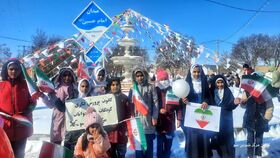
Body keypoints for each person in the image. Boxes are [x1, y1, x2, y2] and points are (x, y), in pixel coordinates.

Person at [0, 59, 37, 158]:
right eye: (11, 69)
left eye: (16, 69)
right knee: (6, 154)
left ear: (21, 70)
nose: (14, 71)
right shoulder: (1, 86)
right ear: (6, 70)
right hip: (5, 128)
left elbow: (33, 101)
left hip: (22, 127)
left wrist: (29, 109)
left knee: (19, 155)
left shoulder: (26, 85)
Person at [238, 66, 274, 158]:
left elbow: (270, 107)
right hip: (249, 118)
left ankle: (258, 154)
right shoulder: (247, 91)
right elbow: (243, 105)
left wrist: (266, 118)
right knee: (250, 139)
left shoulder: (265, 93)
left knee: (259, 139)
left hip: (261, 119)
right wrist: (243, 102)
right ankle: (250, 154)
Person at [181, 64, 211, 158]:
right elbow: (181, 99)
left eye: (198, 72)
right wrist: (183, 100)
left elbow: (208, 96)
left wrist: (206, 101)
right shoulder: (186, 84)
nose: (196, 74)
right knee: (193, 136)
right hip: (191, 116)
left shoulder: (204, 83)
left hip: (203, 114)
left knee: (204, 136)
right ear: (191, 72)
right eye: (194, 72)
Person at [128, 67, 159, 158]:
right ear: (134, 77)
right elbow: (130, 104)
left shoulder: (151, 87)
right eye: (137, 76)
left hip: (148, 120)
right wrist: (131, 117)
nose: (140, 78)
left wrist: (155, 116)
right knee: (139, 146)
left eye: (141, 75)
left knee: (149, 145)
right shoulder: (133, 89)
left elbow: (156, 103)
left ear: (144, 75)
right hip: (137, 121)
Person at [209, 75, 239, 158]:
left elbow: (231, 106)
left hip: (226, 119)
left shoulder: (227, 91)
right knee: (216, 136)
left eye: (221, 82)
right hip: (214, 118)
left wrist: (235, 103)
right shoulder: (211, 92)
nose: (220, 84)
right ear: (215, 83)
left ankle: (226, 154)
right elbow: (207, 102)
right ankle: (216, 151)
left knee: (226, 137)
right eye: (218, 82)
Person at [155, 69, 182, 158]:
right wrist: (159, 110)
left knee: (168, 144)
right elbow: (151, 104)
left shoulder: (174, 90)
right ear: (158, 80)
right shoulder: (155, 91)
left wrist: (179, 118)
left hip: (170, 122)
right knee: (159, 144)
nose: (163, 81)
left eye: (165, 79)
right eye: (161, 79)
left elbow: (179, 107)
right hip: (159, 122)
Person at [50, 67, 78, 145]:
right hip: (58, 117)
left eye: (69, 75)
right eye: (65, 75)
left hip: (71, 117)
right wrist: (43, 95)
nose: (67, 78)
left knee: (69, 140)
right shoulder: (56, 88)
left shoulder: (75, 88)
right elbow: (50, 104)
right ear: (61, 76)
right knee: (56, 139)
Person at [64, 78, 92, 152]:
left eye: (86, 86)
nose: (84, 88)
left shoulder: (92, 100)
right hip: (73, 134)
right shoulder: (72, 99)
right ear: (79, 87)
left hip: (86, 133)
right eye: (82, 86)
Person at [106, 77, 132, 158]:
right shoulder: (105, 98)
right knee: (110, 153)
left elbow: (128, 114)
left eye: (117, 84)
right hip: (109, 132)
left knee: (121, 153)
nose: (115, 86)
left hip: (121, 131)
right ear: (110, 86)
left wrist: (127, 129)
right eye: (113, 85)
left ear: (120, 86)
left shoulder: (124, 98)